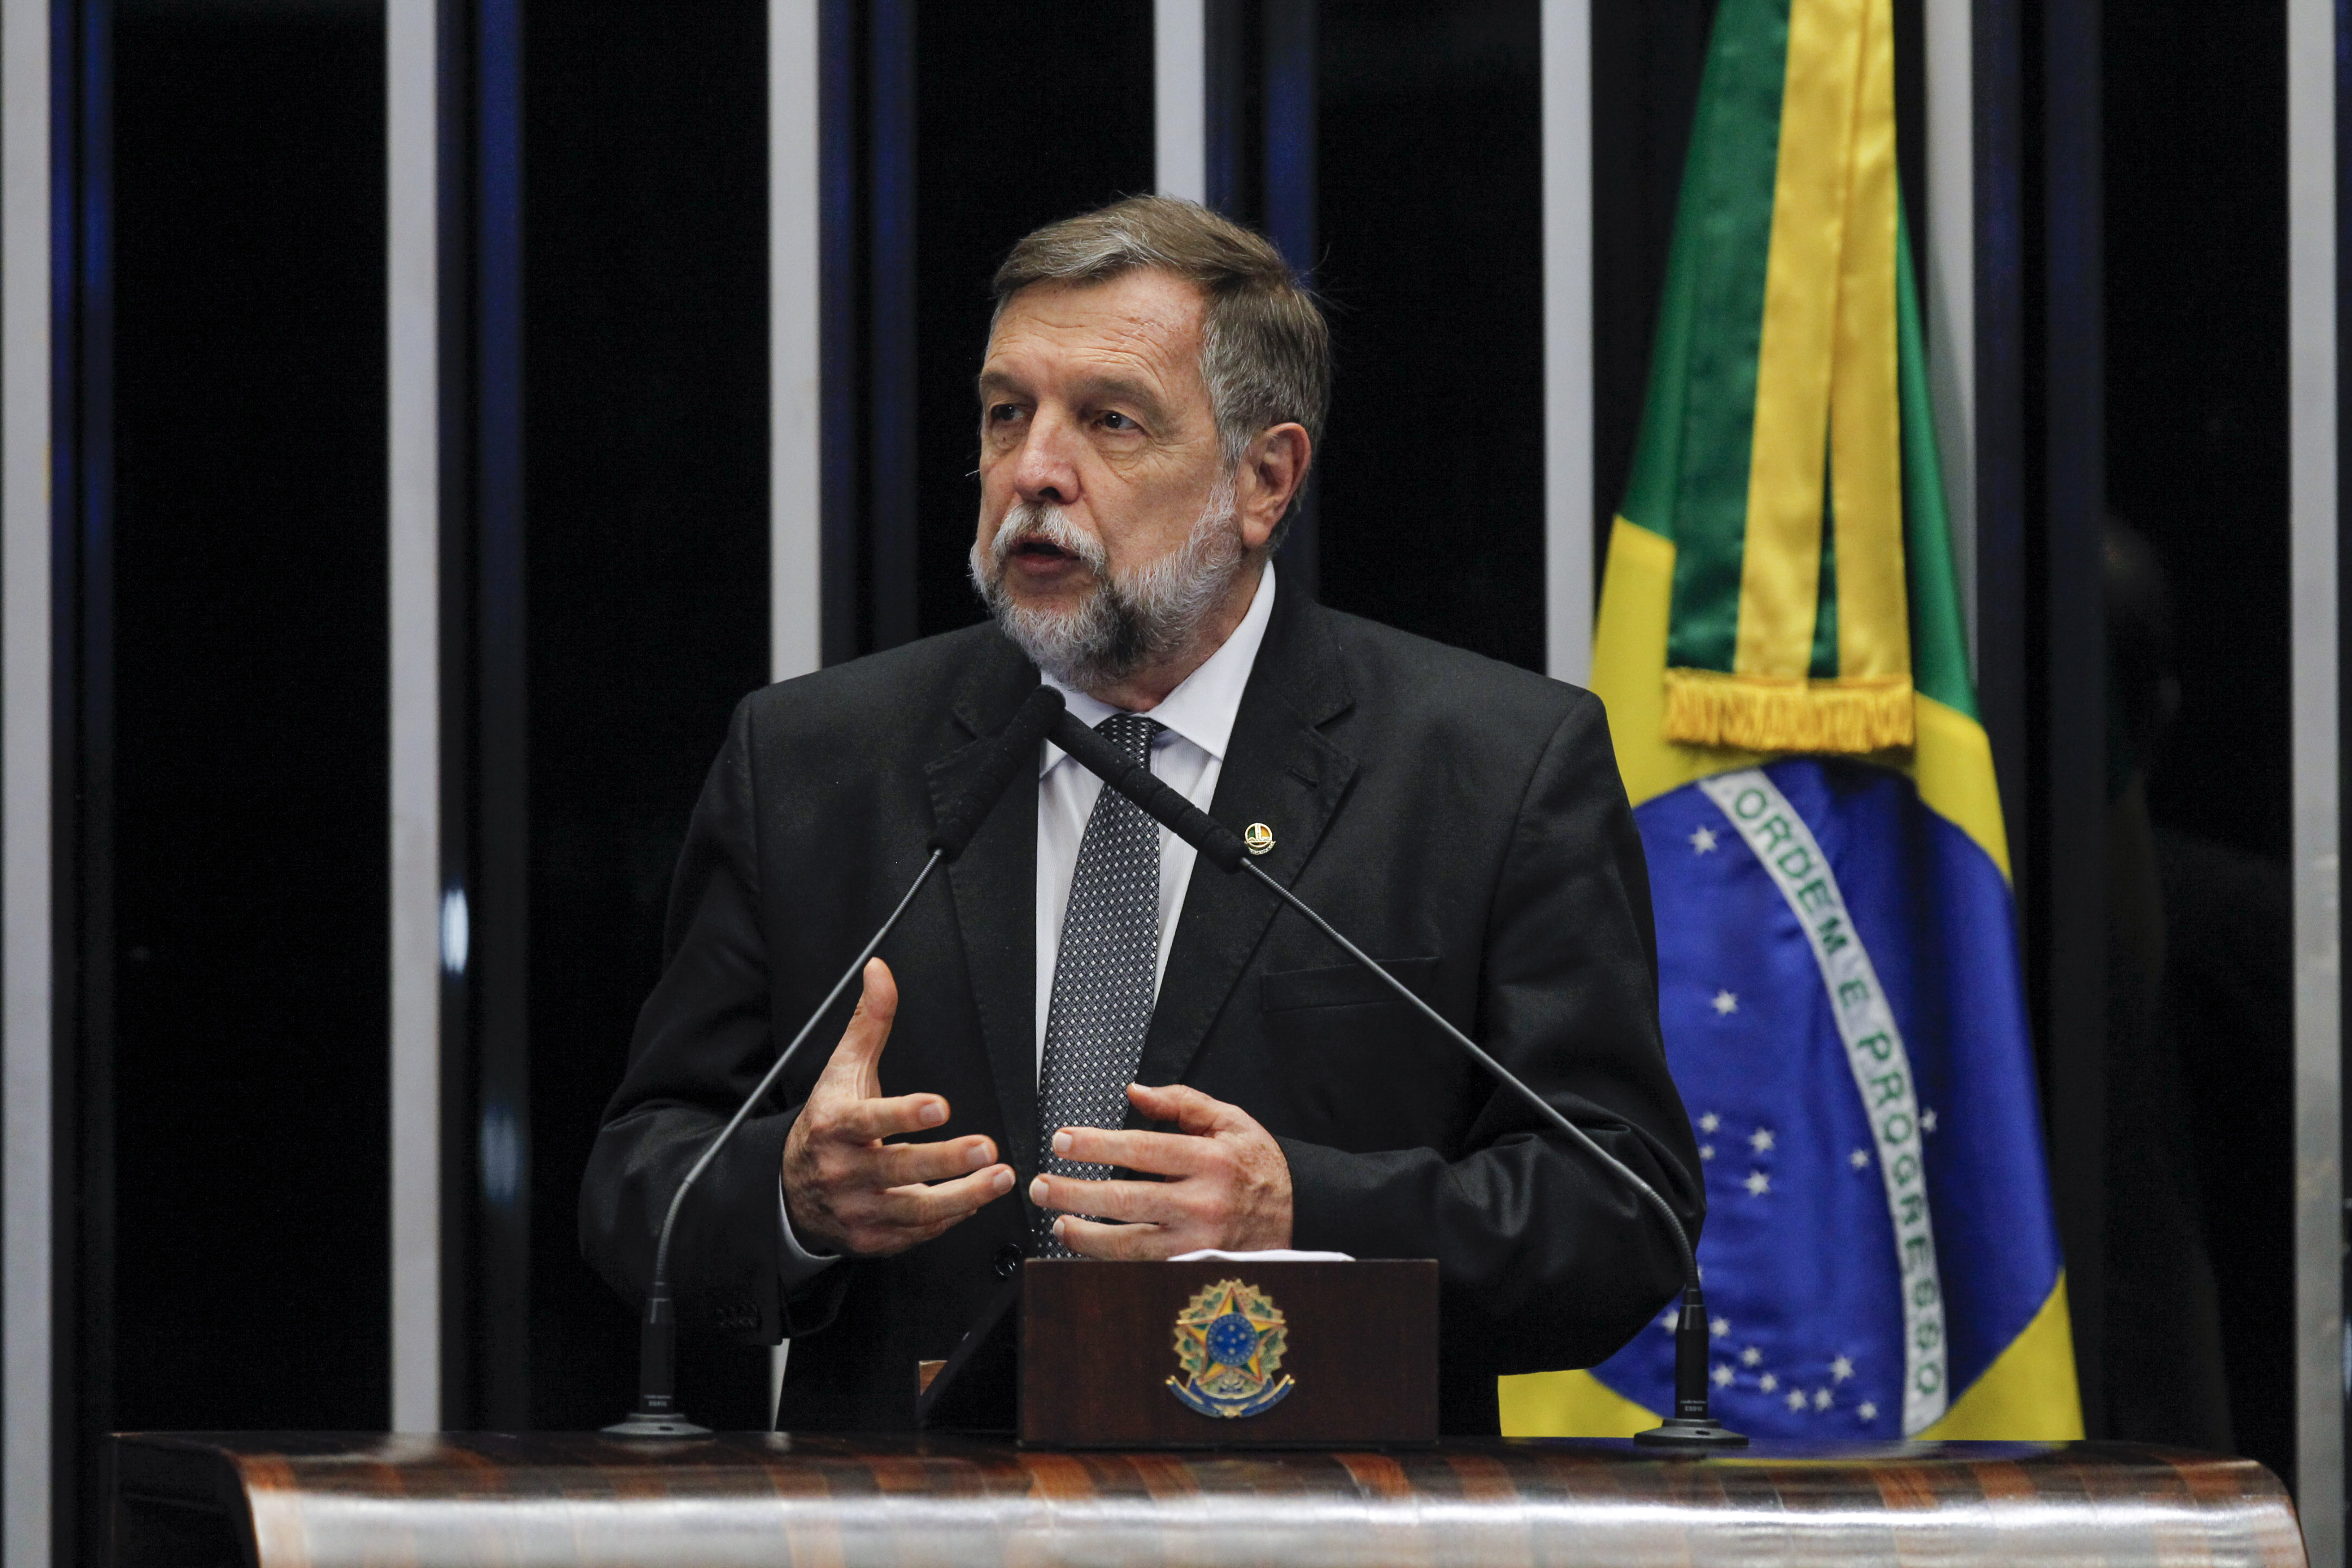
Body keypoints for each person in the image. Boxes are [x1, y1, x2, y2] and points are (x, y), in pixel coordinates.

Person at [579, 196, 1701, 1435]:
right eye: (1007, 414)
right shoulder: (814, 762)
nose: (1034, 472)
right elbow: (641, 1181)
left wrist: (1300, 1213)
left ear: (1265, 479)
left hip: (1319, 1505)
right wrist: (790, 1198)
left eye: (1110, 421)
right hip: (907, 1506)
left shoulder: (1490, 768)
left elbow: (1624, 1211)